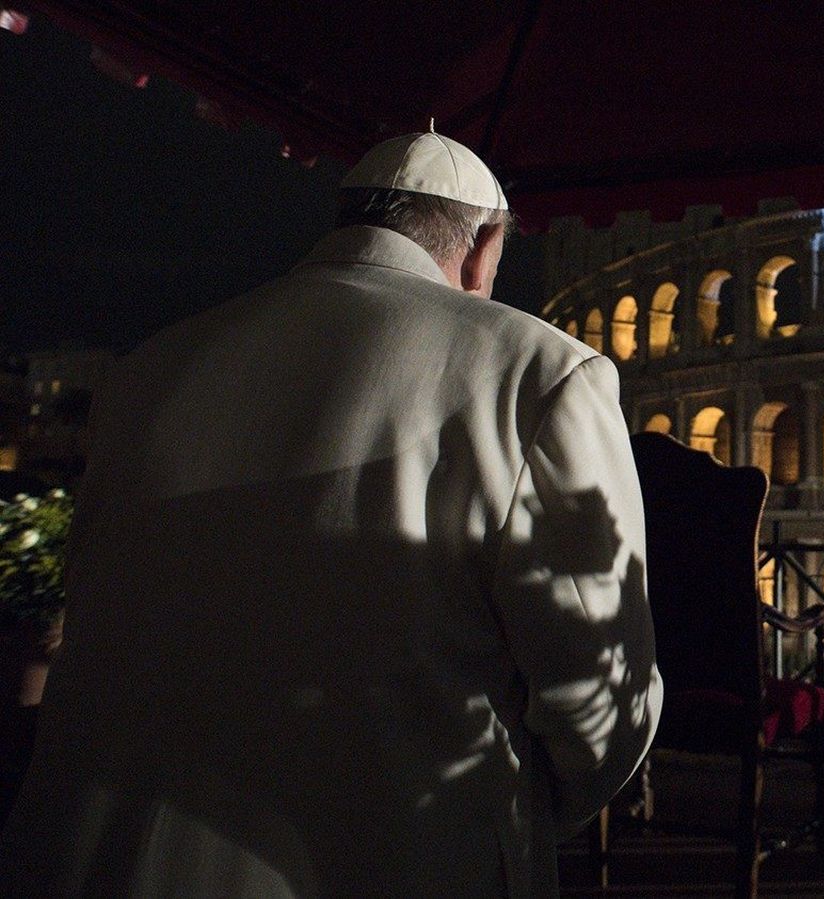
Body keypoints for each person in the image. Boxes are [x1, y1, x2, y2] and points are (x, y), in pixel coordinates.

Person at [0, 132, 661, 896]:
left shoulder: (149, 365)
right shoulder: (544, 371)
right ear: (482, 247)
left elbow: (89, 606)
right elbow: (600, 700)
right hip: (381, 859)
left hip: (95, 857)